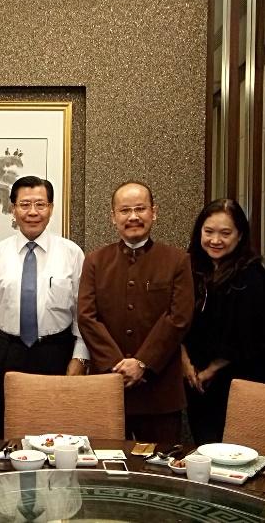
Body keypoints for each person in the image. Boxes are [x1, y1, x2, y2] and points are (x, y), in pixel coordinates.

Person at [0, 176, 89, 438]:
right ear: (13, 208)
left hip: (56, 352)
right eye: (25, 204)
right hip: (9, 353)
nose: (32, 212)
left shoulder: (72, 253)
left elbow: (84, 311)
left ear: (51, 208)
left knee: (60, 433)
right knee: (11, 433)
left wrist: (80, 357)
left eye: (40, 204)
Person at [77, 181, 194, 444]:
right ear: (113, 217)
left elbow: (179, 318)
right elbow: (86, 317)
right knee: (105, 472)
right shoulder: (95, 261)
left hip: (159, 391)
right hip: (108, 386)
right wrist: (117, 366)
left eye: (140, 209)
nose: (133, 217)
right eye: (125, 210)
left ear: (154, 212)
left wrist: (142, 363)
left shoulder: (177, 260)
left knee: (161, 472)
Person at [181, 199, 265, 445]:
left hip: (240, 382)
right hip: (196, 383)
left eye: (225, 233)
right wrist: (185, 362)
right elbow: (173, 319)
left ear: (240, 235)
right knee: (205, 448)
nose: (215, 240)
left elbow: (257, 336)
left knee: (235, 455)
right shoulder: (188, 269)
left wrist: (212, 369)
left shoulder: (252, 276)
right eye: (208, 231)